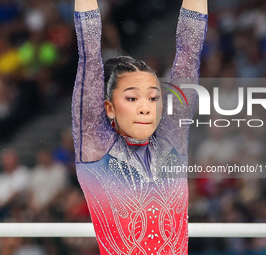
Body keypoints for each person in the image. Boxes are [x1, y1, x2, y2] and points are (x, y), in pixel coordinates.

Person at [72, 0, 208, 254]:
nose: (146, 108)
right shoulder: (96, 147)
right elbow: (90, 56)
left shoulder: (171, 138)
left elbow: (189, 54)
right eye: (132, 98)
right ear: (110, 108)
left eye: (153, 98)